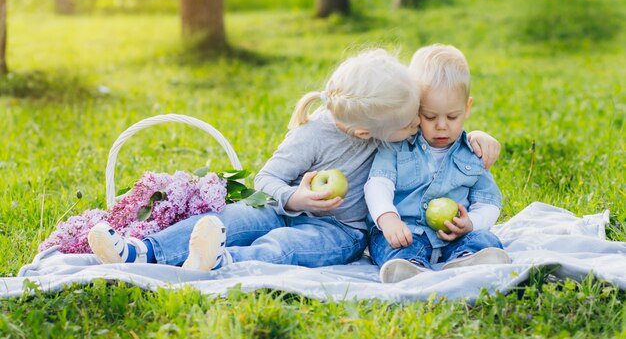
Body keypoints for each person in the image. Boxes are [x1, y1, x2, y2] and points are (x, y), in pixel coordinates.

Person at [87, 48, 500, 271]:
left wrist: (476, 136)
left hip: (343, 230)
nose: (419, 125)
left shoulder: (392, 127)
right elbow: (265, 180)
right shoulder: (315, 135)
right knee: (234, 219)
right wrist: (295, 200)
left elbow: (442, 138)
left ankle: (219, 261)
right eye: (413, 121)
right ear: (364, 133)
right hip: (286, 208)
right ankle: (142, 252)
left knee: (284, 247)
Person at [365, 44, 510, 284]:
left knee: (484, 240)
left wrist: (471, 224)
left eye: (452, 117)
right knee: (389, 243)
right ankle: (409, 267)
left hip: (454, 234)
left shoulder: (472, 151)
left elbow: (489, 200)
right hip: (405, 231)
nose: (442, 125)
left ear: (467, 108)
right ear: (413, 108)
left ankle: (468, 258)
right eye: (430, 117)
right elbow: (377, 184)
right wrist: (388, 218)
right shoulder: (397, 145)